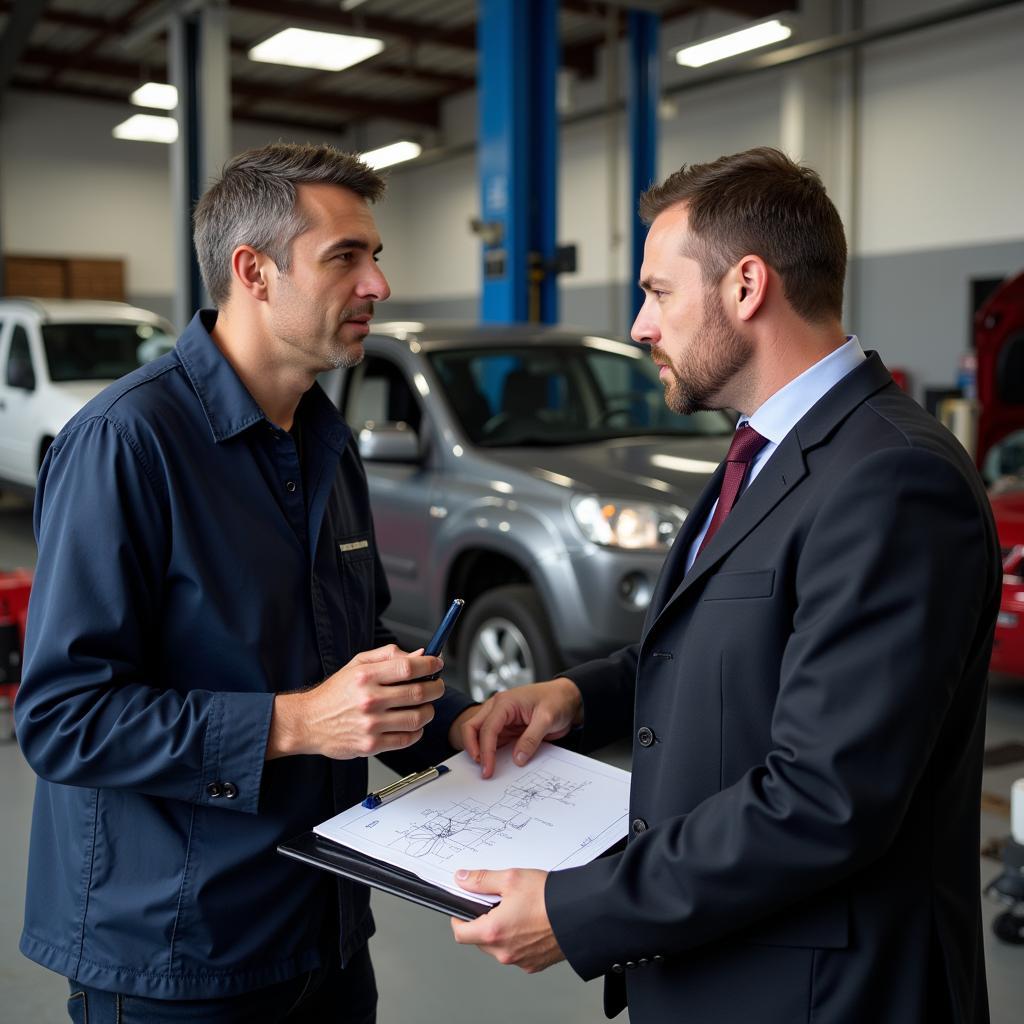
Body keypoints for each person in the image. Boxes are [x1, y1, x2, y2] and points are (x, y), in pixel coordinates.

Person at [451, 147, 999, 1024]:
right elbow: (721, 648)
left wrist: (577, 908)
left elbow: (825, 799)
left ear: (747, 288)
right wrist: (573, 697)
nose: (640, 325)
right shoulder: (765, 450)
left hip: (817, 995)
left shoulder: (892, 480)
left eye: (658, 293)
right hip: (724, 968)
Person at [15, 142, 479, 1023]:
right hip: (179, 956)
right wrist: (300, 721)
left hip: (326, 930)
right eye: (347, 256)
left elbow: (355, 656)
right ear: (253, 271)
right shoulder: (126, 444)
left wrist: (458, 723)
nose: (377, 283)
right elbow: (62, 719)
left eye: (376, 255)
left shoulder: (327, 445)